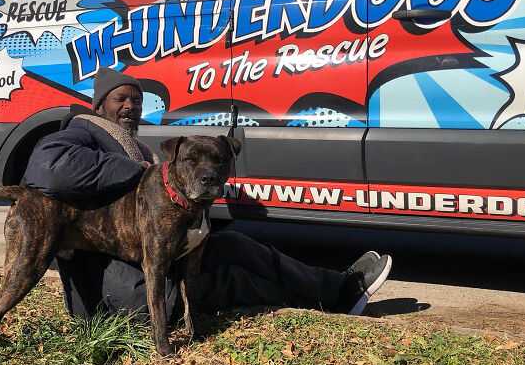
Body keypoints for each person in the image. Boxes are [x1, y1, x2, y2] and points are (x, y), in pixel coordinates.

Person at [22, 67, 392, 322]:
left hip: (158, 257)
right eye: (120, 99)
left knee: (237, 246)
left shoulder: (132, 145)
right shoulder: (81, 132)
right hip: (116, 287)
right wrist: (140, 172)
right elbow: (47, 168)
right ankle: (314, 300)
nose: (130, 106)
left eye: (136, 100)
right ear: (99, 105)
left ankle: (339, 289)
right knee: (230, 281)